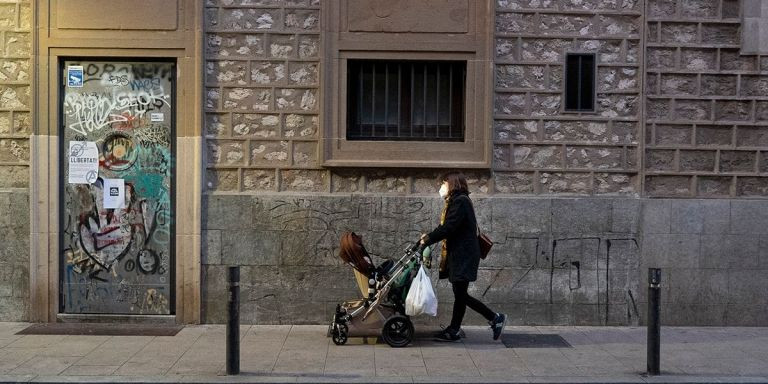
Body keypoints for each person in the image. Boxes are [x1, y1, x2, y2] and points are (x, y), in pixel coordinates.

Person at [420, 172, 506, 342]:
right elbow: (445, 226)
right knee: (460, 294)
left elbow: (449, 227)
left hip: (464, 256)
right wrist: (429, 236)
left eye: (444, 183)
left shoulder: (460, 202)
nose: (441, 187)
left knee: (461, 295)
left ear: (452, 184)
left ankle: (495, 318)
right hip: (461, 254)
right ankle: (454, 330)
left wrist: (428, 239)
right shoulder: (456, 201)